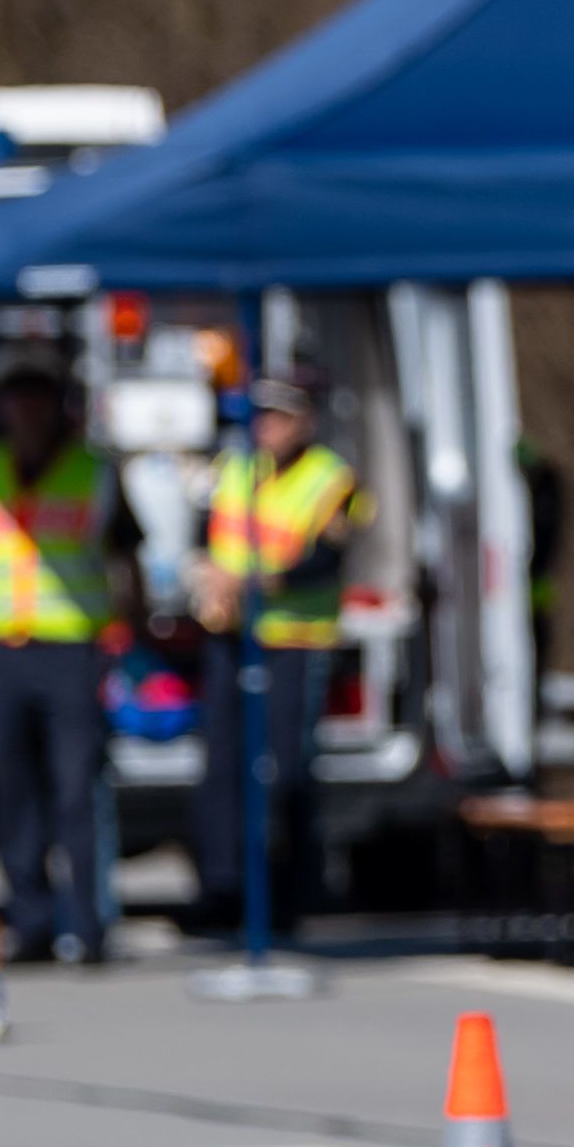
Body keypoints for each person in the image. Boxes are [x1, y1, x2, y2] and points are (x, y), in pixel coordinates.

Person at [0, 341, 138, 965]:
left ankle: (89, 923)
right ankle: (31, 919)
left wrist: (124, 640)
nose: (27, 408)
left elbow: (124, 561)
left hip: (72, 646)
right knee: (13, 790)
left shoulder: (93, 471)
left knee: (77, 790)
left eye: (38, 394)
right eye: (15, 396)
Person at [194, 374, 368, 934]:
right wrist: (208, 576)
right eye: (261, 415)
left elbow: (326, 558)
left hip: (296, 638)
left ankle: (290, 888)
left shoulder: (331, 479)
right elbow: (208, 535)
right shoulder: (234, 469)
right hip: (232, 634)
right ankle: (223, 888)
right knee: (222, 767)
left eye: (280, 416)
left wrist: (255, 580)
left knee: (286, 772)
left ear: (306, 421)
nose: (267, 426)